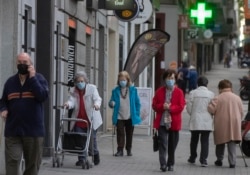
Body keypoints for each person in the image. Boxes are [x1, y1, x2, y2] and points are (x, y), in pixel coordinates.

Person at [0, 52, 49, 175]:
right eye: (19, 62)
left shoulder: (39, 79)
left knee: (32, 166)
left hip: (33, 132)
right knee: (11, 163)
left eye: (25, 63)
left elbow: (42, 96)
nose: (22, 65)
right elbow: (3, 101)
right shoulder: (10, 82)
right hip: (13, 130)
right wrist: (3, 109)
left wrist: (32, 78)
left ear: (31, 64)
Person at [64, 71, 103, 166]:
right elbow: (72, 101)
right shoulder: (73, 90)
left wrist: (97, 105)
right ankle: (81, 159)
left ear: (85, 81)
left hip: (90, 118)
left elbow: (97, 99)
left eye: (82, 81)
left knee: (91, 140)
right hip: (79, 119)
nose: (80, 83)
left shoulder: (92, 88)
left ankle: (95, 153)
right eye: (78, 81)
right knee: (80, 139)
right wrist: (68, 104)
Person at [152, 69, 185, 172]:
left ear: (175, 79)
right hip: (162, 122)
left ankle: (171, 163)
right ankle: (163, 164)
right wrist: (162, 106)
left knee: (172, 144)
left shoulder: (179, 92)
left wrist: (170, 108)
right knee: (163, 143)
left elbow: (181, 106)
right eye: (168, 78)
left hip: (174, 122)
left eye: (172, 78)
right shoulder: (159, 91)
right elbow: (154, 105)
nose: (170, 80)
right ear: (164, 79)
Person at [208, 79, 244, 168]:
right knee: (231, 142)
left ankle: (219, 160)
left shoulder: (218, 98)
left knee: (220, 142)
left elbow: (211, 109)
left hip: (221, 122)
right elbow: (241, 112)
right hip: (234, 123)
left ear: (220, 88)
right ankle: (232, 162)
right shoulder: (237, 97)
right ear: (230, 87)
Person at [109, 71, 141, 157]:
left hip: (130, 116)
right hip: (119, 115)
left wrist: (137, 113)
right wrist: (111, 103)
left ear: (127, 80)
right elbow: (111, 101)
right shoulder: (115, 91)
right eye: (120, 80)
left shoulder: (133, 90)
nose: (122, 81)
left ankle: (129, 149)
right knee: (120, 133)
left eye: (124, 80)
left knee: (129, 133)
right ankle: (120, 150)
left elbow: (137, 103)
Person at [186, 76, 214, 167]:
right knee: (205, 141)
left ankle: (192, 157)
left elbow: (189, 107)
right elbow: (213, 108)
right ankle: (203, 160)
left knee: (194, 140)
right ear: (207, 84)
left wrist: (192, 113)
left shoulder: (193, 93)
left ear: (198, 84)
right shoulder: (211, 94)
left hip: (195, 119)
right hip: (207, 120)